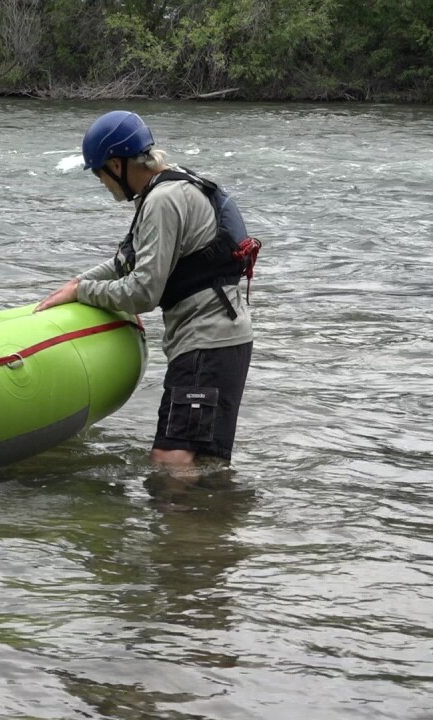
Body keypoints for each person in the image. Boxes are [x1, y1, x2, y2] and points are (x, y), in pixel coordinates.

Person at [35, 110, 259, 497]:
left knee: (169, 464)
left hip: (205, 347)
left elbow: (143, 291)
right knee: (203, 462)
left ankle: (179, 550)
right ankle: (212, 542)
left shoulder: (163, 200)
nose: (103, 184)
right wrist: (78, 282)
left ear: (117, 164)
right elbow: (127, 261)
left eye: (100, 173)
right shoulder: (175, 186)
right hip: (222, 343)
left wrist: (82, 294)